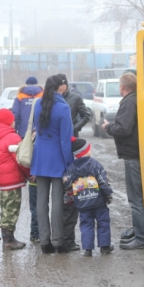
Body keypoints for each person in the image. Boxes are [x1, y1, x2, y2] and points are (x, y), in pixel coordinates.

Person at [102, 72, 144, 250]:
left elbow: (124, 128)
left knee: (135, 199)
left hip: (132, 155)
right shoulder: (138, 99)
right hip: (139, 153)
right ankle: (142, 232)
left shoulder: (130, 102)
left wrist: (108, 127)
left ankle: (143, 238)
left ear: (122, 87)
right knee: (141, 197)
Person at [31, 75, 74, 254]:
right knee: (57, 201)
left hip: (40, 156)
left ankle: (44, 242)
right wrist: (69, 164)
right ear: (61, 87)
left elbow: (35, 128)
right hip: (57, 158)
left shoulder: (39, 104)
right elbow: (66, 141)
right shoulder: (63, 108)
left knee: (41, 200)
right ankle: (58, 242)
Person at [63, 137, 114, 257]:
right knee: (103, 222)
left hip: (82, 203)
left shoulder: (72, 167)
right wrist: (108, 194)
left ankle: (87, 249)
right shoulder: (94, 164)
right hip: (98, 201)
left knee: (86, 224)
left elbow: (67, 182)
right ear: (86, 151)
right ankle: (105, 246)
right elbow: (103, 181)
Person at [57, 73, 91, 252]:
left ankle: (68, 238)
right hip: (57, 146)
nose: (60, 89)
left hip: (72, 142)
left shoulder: (75, 98)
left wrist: (74, 128)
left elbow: (87, 115)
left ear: (65, 85)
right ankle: (60, 237)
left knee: (71, 186)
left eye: (62, 86)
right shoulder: (53, 99)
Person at [0, 109, 29, 250]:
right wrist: (29, 174)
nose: (14, 121)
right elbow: (21, 160)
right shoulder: (12, 138)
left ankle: (7, 237)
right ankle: (8, 240)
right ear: (8, 121)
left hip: (3, 181)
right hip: (12, 181)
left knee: (5, 209)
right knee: (11, 210)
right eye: (12, 119)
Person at [11, 76, 43, 243]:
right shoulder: (42, 95)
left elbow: (14, 115)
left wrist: (17, 132)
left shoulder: (20, 96)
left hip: (24, 136)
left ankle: (29, 174)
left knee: (26, 157)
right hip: (38, 135)